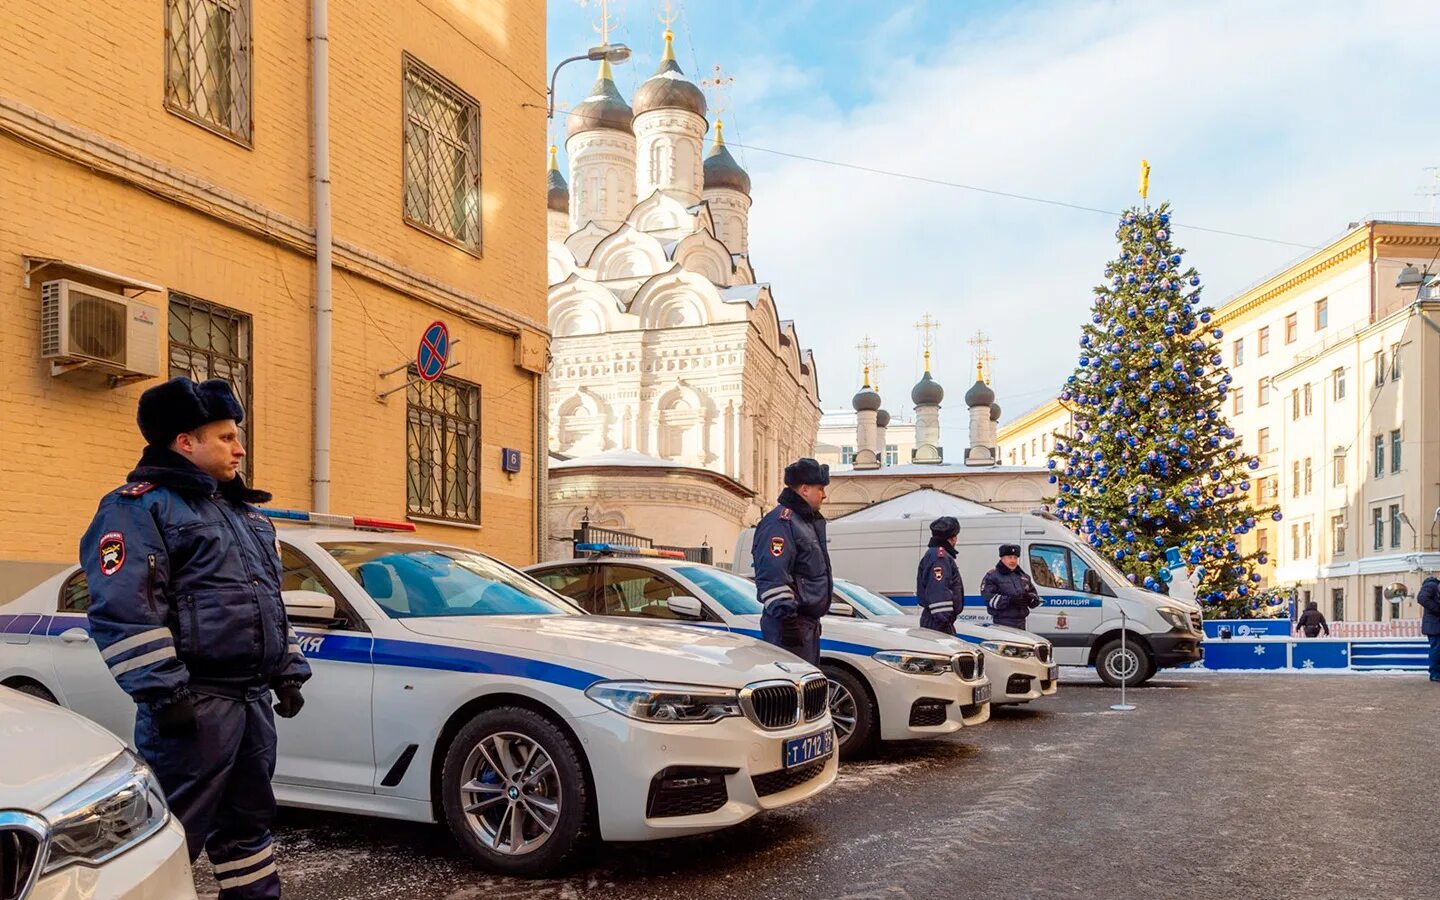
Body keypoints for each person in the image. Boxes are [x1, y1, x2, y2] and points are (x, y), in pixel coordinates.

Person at [80, 377, 310, 900]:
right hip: (194, 709)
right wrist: (164, 692)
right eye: (227, 436)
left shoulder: (243, 515)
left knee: (249, 828)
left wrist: (288, 671)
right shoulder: (136, 508)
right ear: (185, 442)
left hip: (250, 705)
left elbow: (268, 601)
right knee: (168, 839)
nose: (240, 447)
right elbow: (125, 608)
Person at [752, 458, 833, 664]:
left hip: (804, 625)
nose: (824, 494)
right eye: (820, 488)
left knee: (806, 690)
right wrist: (787, 620)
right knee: (791, 691)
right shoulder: (781, 522)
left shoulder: (803, 522)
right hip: (789, 625)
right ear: (805, 489)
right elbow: (773, 573)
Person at [916, 517, 964, 634]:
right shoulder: (940, 557)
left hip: (936, 620)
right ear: (952, 538)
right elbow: (938, 589)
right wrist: (944, 621)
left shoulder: (936, 554)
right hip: (938, 623)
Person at [982, 543, 1041, 630]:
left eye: (1015, 558)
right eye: (1010, 557)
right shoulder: (992, 576)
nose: (1013, 561)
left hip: (1021, 623)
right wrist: (1010, 601)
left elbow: (1034, 596)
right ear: (1002, 558)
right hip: (1002, 623)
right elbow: (988, 599)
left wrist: (1030, 598)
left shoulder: (1023, 576)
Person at [1418, 574, 1440, 683]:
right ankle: (1435, 674)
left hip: (1435, 624)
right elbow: (1421, 598)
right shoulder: (1432, 585)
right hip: (1434, 625)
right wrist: (1438, 609)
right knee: (1437, 649)